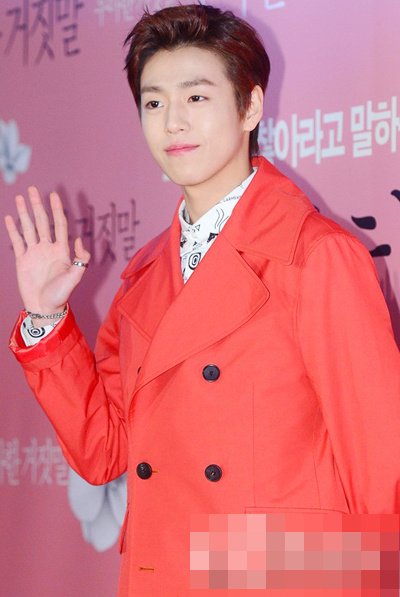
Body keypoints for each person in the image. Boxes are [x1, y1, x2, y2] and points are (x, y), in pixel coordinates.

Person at [5, 4, 400, 596]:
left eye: (196, 97)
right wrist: (46, 317)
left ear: (251, 107)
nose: (172, 122)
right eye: (154, 103)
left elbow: (382, 468)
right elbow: (103, 450)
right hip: (162, 574)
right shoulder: (143, 277)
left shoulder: (316, 255)